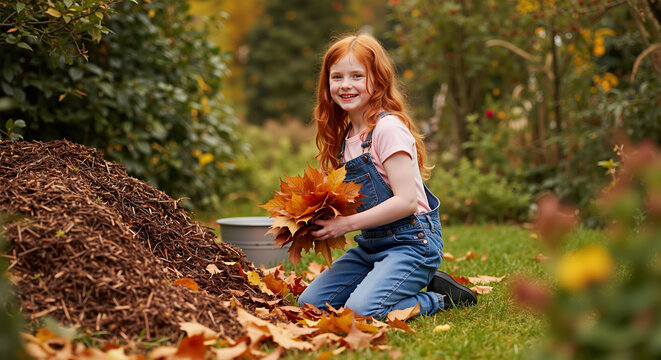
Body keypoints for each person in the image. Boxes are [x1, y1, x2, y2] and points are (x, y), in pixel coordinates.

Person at [297, 33, 477, 319]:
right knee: (309, 305)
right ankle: (386, 281)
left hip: (412, 244)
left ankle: (438, 296)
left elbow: (406, 202)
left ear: (377, 81)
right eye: (337, 77)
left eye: (357, 76)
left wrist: (345, 225)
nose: (345, 85)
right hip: (370, 245)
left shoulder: (387, 129)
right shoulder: (345, 139)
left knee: (359, 312)